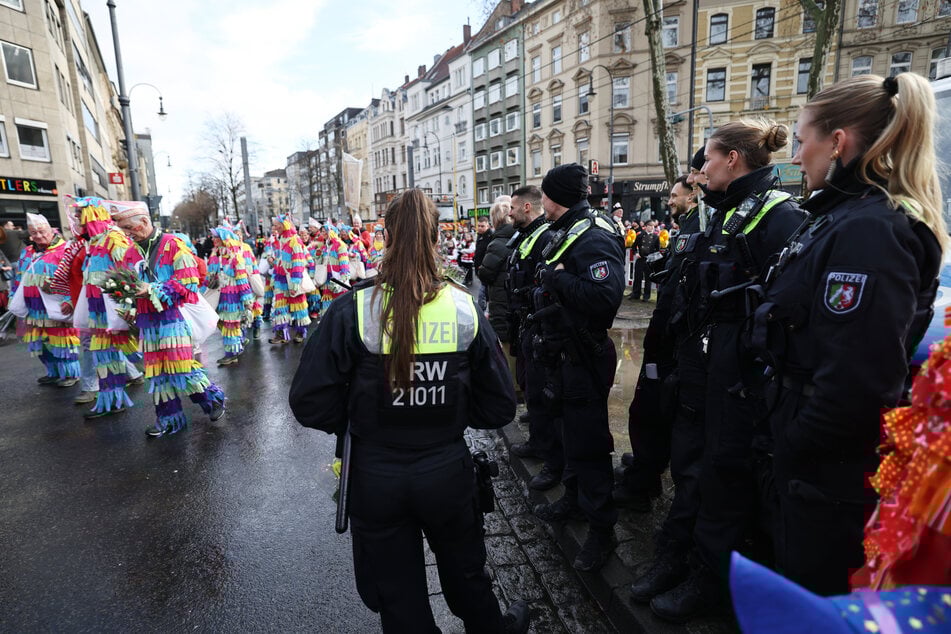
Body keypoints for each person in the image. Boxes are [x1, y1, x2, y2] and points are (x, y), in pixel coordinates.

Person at [288, 188, 529, 633]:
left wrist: (359, 417)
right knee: (467, 577)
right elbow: (499, 405)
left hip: (375, 474)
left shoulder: (351, 310)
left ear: (385, 236)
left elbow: (308, 402)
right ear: (436, 237)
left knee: (398, 599)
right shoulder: (463, 308)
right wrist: (449, 408)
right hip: (446, 471)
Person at [752, 73, 945, 596]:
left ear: (837, 143)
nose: (795, 154)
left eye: (800, 138)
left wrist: (794, 445)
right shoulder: (841, 217)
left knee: (817, 595)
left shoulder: (869, 230)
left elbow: (857, 382)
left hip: (825, 473)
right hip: (809, 458)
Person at [651, 119, 805, 621]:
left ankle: (710, 581)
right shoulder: (727, 212)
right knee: (692, 466)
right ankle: (676, 557)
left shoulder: (778, 217)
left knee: (723, 476)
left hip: (741, 379)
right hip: (705, 369)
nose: (702, 169)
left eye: (709, 159)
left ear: (733, 160)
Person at [530, 164, 625, 572]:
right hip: (562, 354)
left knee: (588, 444)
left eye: (545, 196)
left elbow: (605, 297)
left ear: (556, 197)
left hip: (583, 356)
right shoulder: (571, 228)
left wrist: (557, 279)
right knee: (569, 436)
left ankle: (603, 531)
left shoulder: (593, 233)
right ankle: (574, 499)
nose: (542, 203)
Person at [112, 206, 226, 437]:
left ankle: (212, 399)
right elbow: (124, 285)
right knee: (157, 374)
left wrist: (152, 289)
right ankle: (169, 419)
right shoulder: (130, 253)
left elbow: (189, 283)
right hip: (147, 323)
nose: (126, 234)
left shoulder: (173, 244)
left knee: (180, 368)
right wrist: (126, 306)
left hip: (172, 320)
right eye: (122, 229)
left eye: (127, 228)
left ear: (143, 221)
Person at [505, 186, 563, 491]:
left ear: (528, 207)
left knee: (541, 389)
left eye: (513, 208)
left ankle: (544, 448)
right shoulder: (527, 234)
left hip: (537, 321)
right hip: (526, 321)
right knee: (532, 385)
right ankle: (538, 440)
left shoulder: (543, 235)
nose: (510, 213)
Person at [70, 198, 143, 419]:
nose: (78, 223)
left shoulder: (114, 238)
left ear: (92, 217)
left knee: (146, 356)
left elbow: (130, 272)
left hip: (113, 313)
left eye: (81, 217)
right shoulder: (95, 243)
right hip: (99, 314)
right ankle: (112, 400)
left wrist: (127, 308)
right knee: (104, 358)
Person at [10, 213, 81, 387]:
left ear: (51, 230)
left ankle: (70, 374)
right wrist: (13, 296)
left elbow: (73, 278)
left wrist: (68, 300)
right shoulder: (26, 253)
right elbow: (19, 277)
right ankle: (53, 372)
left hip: (56, 306)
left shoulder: (66, 250)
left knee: (61, 341)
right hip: (33, 307)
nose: (39, 236)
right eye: (34, 233)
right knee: (40, 342)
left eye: (42, 232)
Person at [478, 196, 518, 388]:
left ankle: (509, 386)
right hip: (516, 300)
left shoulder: (498, 243)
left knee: (504, 344)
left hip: (501, 301)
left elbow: (485, 274)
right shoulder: (520, 237)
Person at [206, 226, 255, 365]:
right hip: (219, 296)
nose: (213, 239)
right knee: (221, 323)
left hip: (232, 298)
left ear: (224, 239)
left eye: (216, 237)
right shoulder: (215, 255)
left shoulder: (236, 257)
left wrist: (247, 300)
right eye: (213, 237)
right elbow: (210, 277)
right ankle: (237, 342)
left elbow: (242, 280)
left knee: (230, 325)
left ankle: (231, 354)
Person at [268, 215, 311, 344]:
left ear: (284, 225)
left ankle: (300, 332)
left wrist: (295, 283)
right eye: (274, 225)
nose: (274, 228)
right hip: (281, 278)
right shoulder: (282, 240)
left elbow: (298, 263)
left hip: (293, 279)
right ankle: (281, 334)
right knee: (280, 306)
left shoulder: (295, 240)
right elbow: (282, 260)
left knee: (298, 306)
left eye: (276, 225)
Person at [630, 220, 659, 301]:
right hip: (640, 259)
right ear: (646, 226)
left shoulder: (656, 237)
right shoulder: (640, 235)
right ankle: (636, 294)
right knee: (637, 277)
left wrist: (653, 259)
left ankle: (646, 296)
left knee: (648, 279)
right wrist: (636, 253)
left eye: (653, 226)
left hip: (649, 260)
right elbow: (633, 247)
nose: (652, 227)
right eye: (650, 225)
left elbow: (658, 250)